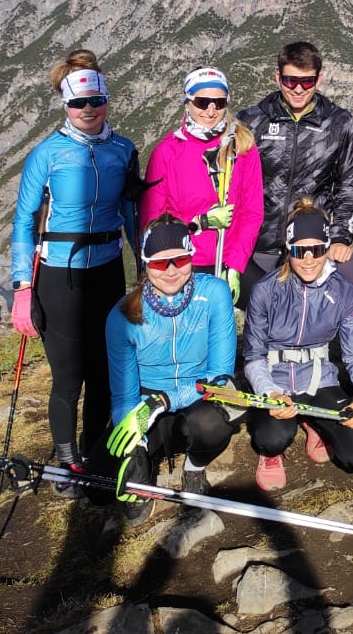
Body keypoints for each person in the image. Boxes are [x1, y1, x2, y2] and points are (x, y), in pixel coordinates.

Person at [9, 50, 140, 487]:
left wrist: (143, 269)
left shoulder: (124, 150)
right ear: (65, 105)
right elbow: (24, 218)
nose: (87, 111)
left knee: (105, 371)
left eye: (95, 102)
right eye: (77, 104)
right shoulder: (47, 154)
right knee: (69, 377)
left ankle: (98, 452)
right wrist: (22, 288)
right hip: (59, 275)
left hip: (107, 271)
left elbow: (132, 215)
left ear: (107, 101)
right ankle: (67, 461)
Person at [105, 217, 238, 523]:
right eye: (158, 262)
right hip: (144, 403)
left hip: (195, 399)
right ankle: (146, 461)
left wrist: (165, 401)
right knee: (102, 484)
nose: (170, 270)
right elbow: (123, 392)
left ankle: (194, 468)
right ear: (144, 264)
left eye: (179, 259)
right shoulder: (122, 315)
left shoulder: (214, 294)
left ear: (191, 256)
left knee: (211, 426)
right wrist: (134, 442)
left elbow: (220, 376)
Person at [242, 200, 353, 488]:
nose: (308, 259)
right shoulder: (265, 290)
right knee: (271, 439)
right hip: (275, 381)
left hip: (320, 379)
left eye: (317, 249)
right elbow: (254, 355)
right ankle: (274, 451)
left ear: (327, 248)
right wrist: (269, 393)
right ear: (288, 250)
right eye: (298, 250)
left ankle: (311, 420)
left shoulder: (343, 291)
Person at [239, 41, 353, 302]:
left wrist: (340, 237)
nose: (298, 89)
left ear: (319, 79)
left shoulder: (338, 122)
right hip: (257, 244)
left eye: (307, 82)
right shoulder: (252, 120)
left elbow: (349, 185)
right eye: (290, 81)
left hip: (311, 242)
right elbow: (233, 184)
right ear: (278, 78)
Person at [140, 67, 264, 302]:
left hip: (229, 258)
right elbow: (152, 220)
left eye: (218, 103)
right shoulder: (167, 153)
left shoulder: (243, 147)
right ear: (188, 102)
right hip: (184, 260)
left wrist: (236, 265)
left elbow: (252, 212)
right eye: (202, 102)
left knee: (270, 303)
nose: (210, 110)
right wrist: (198, 224)